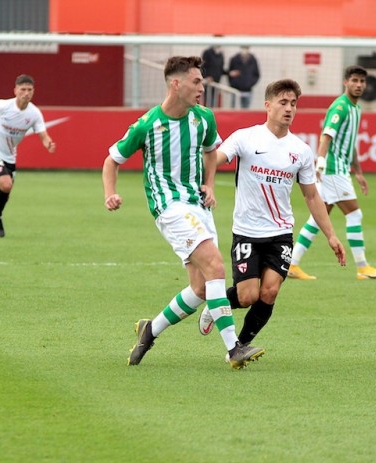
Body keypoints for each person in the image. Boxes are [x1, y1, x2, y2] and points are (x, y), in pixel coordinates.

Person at [102, 56, 264, 370]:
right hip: (169, 207)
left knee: (201, 287)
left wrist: (210, 185)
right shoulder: (148, 125)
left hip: (198, 206)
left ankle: (150, 330)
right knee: (216, 266)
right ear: (176, 84)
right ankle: (234, 348)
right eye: (197, 81)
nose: (203, 87)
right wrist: (110, 193)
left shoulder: (203, 118)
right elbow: (112, 160)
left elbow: (210, 153)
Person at [197, 79, 346, 343]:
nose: (289, 109)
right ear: (268, 105)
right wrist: (205, 178)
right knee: (247, 296)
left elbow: (311, 195)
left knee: (269, 292)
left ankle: (240, 346)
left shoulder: (300, 150)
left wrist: (331, 236)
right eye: (283, 102)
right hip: (246, 232)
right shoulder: (246, 137)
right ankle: (215, 305)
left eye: (293, 104)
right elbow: (215, 158)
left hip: (280, 233)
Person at [288, 65, 376, 281]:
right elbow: (326, 136)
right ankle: (363, 267)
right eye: (354, 80)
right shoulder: (340, 107)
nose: (359, 85)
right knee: (354, 214)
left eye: (362, 82)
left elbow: (350, 142)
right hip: (333, 170)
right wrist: (320, 163)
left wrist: (359, 172)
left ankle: (293, 264)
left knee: (318, 217)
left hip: (342, 169)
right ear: (345, 82)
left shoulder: (356, 109)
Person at [0, 74, 56, 238]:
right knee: (6, 185)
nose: (26, 93)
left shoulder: (34, 113)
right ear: (15, 90)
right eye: (23, 89)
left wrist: (48, 143)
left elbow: (43, 135)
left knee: (3, 191)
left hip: (10, 156)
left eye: (29, 90)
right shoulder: (3, 106)